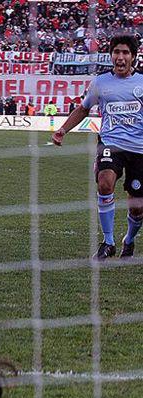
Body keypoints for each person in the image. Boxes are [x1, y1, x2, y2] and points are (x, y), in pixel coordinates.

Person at [53, 35, 143, 260]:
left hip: (139, 149)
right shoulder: (101, 83)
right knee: (105, 183)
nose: (120, 57)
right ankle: (108, 241)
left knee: (137, 208)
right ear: (111, 55)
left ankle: (128, 240)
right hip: (110, 143)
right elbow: (83, 109)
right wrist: (63, 130)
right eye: (116, 52)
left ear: (133, 57)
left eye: (125, 53)